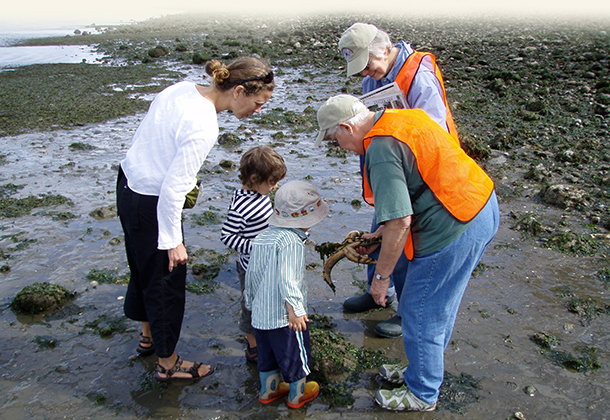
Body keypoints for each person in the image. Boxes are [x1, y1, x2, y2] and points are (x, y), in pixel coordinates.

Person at [315, 95, 499, 411]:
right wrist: (378, 236)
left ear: (346, 126)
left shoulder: (381, 150)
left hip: (453, 226)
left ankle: (422, 393)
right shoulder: (400, 117)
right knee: (439, 307)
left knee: (420, 311)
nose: (340, 148)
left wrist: (380, 280)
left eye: (336, 140)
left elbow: (401, 222)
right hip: (480, 206)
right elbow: (417, 186)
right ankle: (421, 370)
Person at [116, 56, 275, 382]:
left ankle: (147, 336)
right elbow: (173, 189)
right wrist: (173, 242)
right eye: (258, 103)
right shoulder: (205, 124)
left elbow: (150, 139)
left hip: (128, 185)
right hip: (153, 201)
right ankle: (168, 363)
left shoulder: (180, 89)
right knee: (166, 282)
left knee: (141, 267)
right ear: (239, 91)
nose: (258, 110)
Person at [337, 22, 460, 338]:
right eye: (359, 68)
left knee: (407, 240)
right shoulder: (371, 81)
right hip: (389, 173)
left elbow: (435, 134)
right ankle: (378, 291)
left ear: (382, 50)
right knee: (379, 231)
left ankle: (407, 312)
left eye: (366, 64)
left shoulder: (419, 77)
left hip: (422, 178)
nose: (365, 73)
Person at [244, 180, 329, 408]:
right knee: (295, 357)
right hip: (285, 318)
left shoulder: (262, 237)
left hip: (261, 316)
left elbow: (251, 273)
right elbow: (289, 278)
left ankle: (268, 391)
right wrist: (296, 311)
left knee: (267, 357)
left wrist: (250, 302)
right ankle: (297, 395)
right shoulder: (291, 242)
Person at [220, 145, 287, 363]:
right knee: (250, 307)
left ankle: (268, 334)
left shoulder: (258, 194)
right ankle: (253, 347)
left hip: (267, 264)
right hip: (251, 268)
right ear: (255, 178)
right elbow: (227, 237)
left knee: (269, 302)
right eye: (272, 182)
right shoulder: (241, 205)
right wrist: (257, 246)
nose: (275, 186)